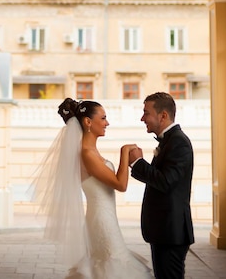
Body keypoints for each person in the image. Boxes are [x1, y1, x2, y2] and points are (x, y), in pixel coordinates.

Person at [32, 97, 152, 278]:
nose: (107, 123)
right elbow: (120, 185)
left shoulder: (91, 151)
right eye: (103, 118)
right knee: (112, 263)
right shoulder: (87, 153)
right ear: (88, 121)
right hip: (102, 221)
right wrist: (125, 152)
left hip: (105, 217)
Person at [129, 92, 194, 279]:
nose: (142, 118)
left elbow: (166, 181)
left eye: (146, 113)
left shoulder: (178, 142)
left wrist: (138, 163)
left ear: (163, 115)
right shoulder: (170, 141)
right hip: (164, 231)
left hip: (171, 232)